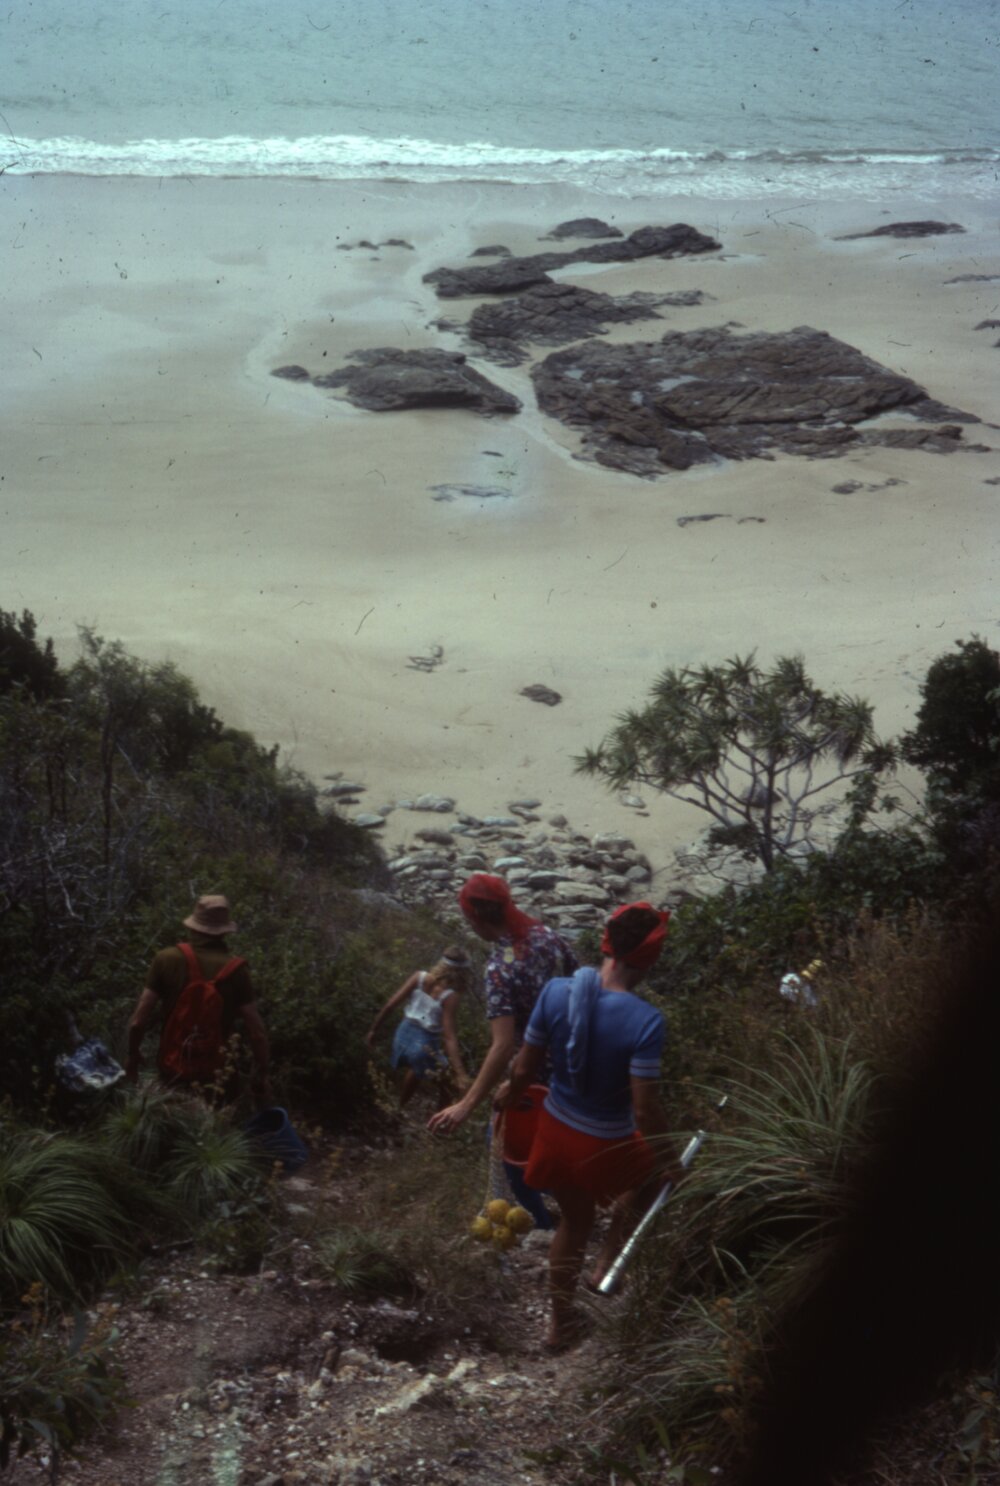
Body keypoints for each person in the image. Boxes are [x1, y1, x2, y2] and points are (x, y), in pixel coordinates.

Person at [499, 902, 683, 1353]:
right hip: (605, 1142)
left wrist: (505, 1092)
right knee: (657, 1177)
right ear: (650, 959)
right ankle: (607, 1261)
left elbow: (525, 1069)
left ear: (606, 943)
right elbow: (644, 1112)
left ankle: (560, 1325)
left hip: (555, 1132)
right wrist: (673, 1159)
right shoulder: (645, 1021)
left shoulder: (557, 992)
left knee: (575, 1223)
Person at [427, 873, 577, 1229]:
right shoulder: (550, 938)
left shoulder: (499, 969)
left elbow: (503, 1044)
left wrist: (465, 1105)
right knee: (555, 1148)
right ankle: (574, 1210)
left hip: (530, 1078)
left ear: (476, 918)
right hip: (571, 1067)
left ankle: (545, 1228)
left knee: (510, 1157)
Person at [125, 893, 272, 1107]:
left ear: (192, 926)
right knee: (214, 1136)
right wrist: (261, 1075)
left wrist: (132, 1057)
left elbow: (138, 1022)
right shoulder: (238, 971)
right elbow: (257, 1033)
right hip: (217, 1078)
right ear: (224, 931)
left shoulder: (166, 958)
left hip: (171, 1070)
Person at [365, 946, 472, 1106]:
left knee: (417, 1068)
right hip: (423, 1044)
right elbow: (449, 1036)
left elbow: (390, 1005)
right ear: (462, 972)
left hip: (402, 1036)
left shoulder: (419, 977)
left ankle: (399, 1108)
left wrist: (373, 1030)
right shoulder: (450, 996)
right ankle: (440, 1124)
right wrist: (460, 1072)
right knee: (449, 1082)